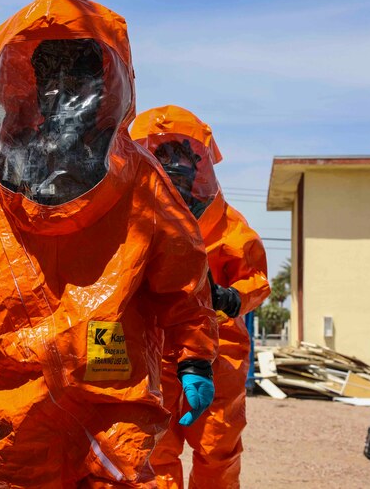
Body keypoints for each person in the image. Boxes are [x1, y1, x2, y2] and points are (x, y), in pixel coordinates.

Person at [0, 0, 218, 488]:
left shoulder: (143, 184)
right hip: (21, 395)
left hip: (113, 388)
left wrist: (195, 357)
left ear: (107, 84)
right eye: (51, 73)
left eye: (80, 74)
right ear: (24, 82)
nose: (64, 90)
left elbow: (182, 282)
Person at [130, 105, 271, 488]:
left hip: (219, 353)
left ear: (200, 161)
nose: (173, 164)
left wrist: (229, 298)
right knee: (155, 450)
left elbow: (257, 280)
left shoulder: (227, 224)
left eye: (181, 153)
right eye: (163, 153)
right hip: (155, 352)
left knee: (217, 450)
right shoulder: (136, 218)